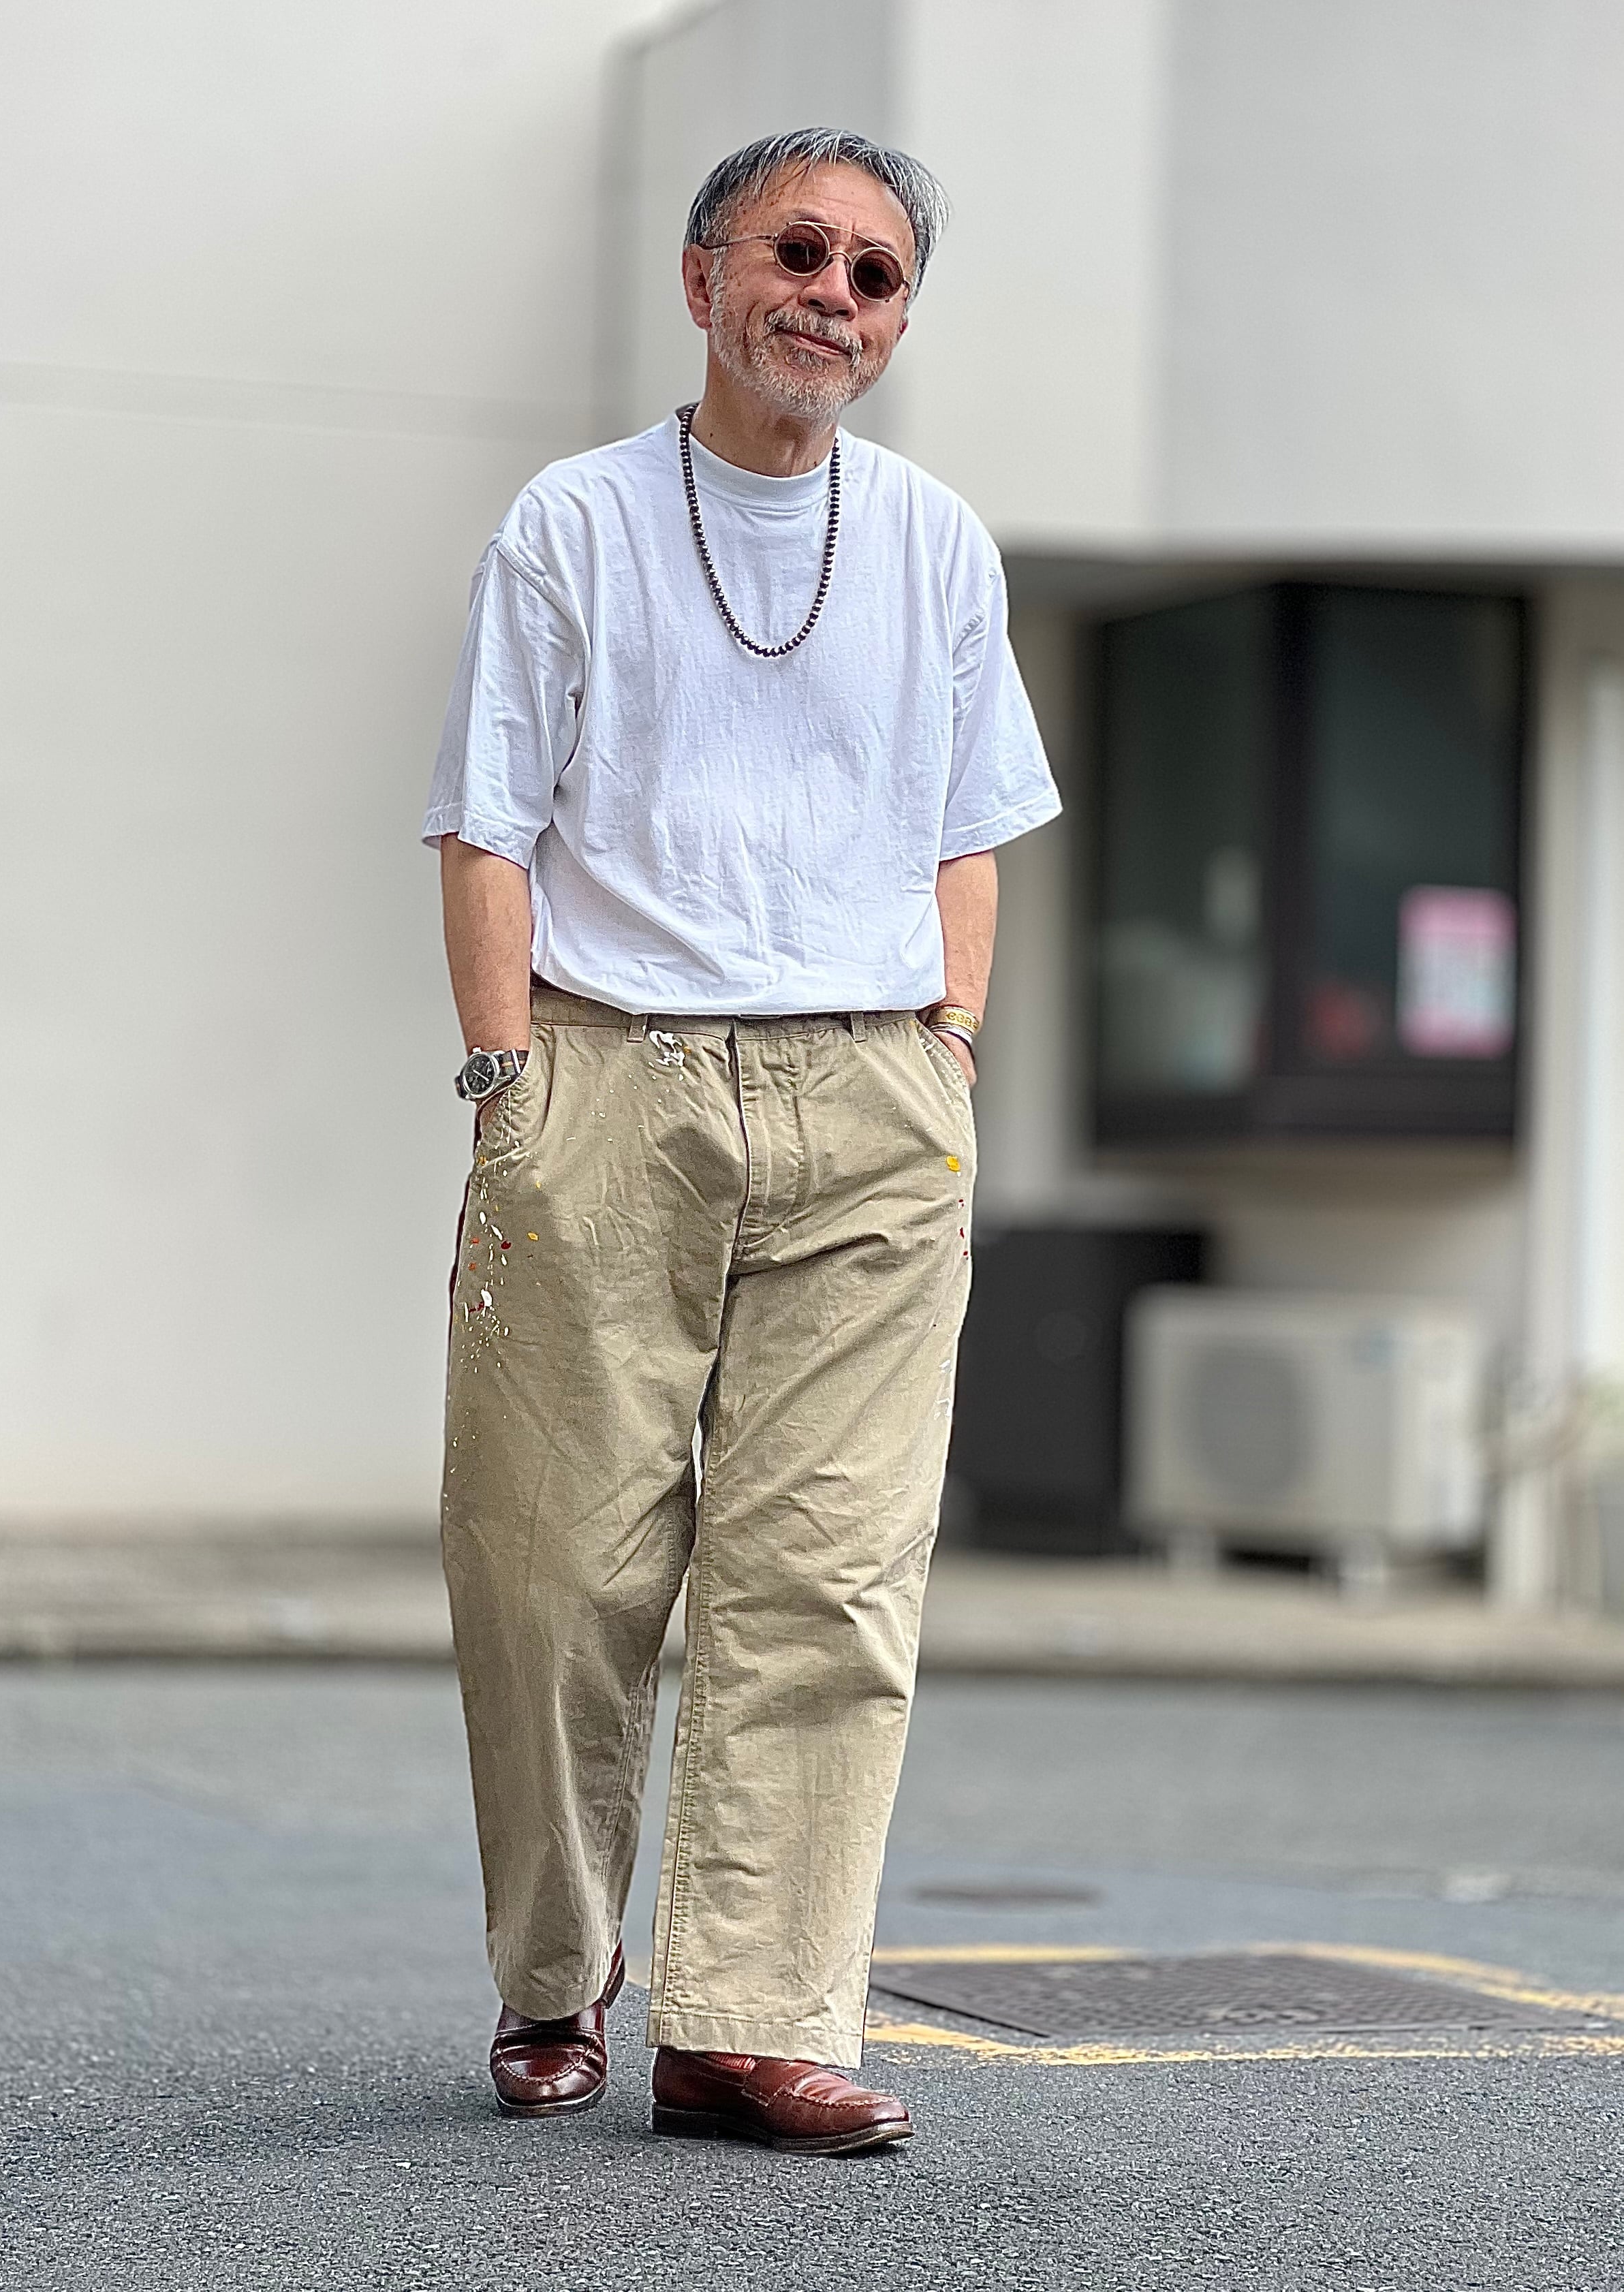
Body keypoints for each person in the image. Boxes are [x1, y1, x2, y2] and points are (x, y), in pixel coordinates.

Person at [422, 126, 1059, 2156]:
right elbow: (486, 825)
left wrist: (950, 1051)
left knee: (832, 1578)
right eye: (800, 252)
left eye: (877, 276)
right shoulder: (577, 520)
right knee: (552, 1567)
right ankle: (556, 1968)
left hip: (874, 1095)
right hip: (609, 1081)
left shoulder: (936, 539)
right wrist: (509, 1088)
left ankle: (750, 2022)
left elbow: (970, 825)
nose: (834, 298)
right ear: (704, 278)